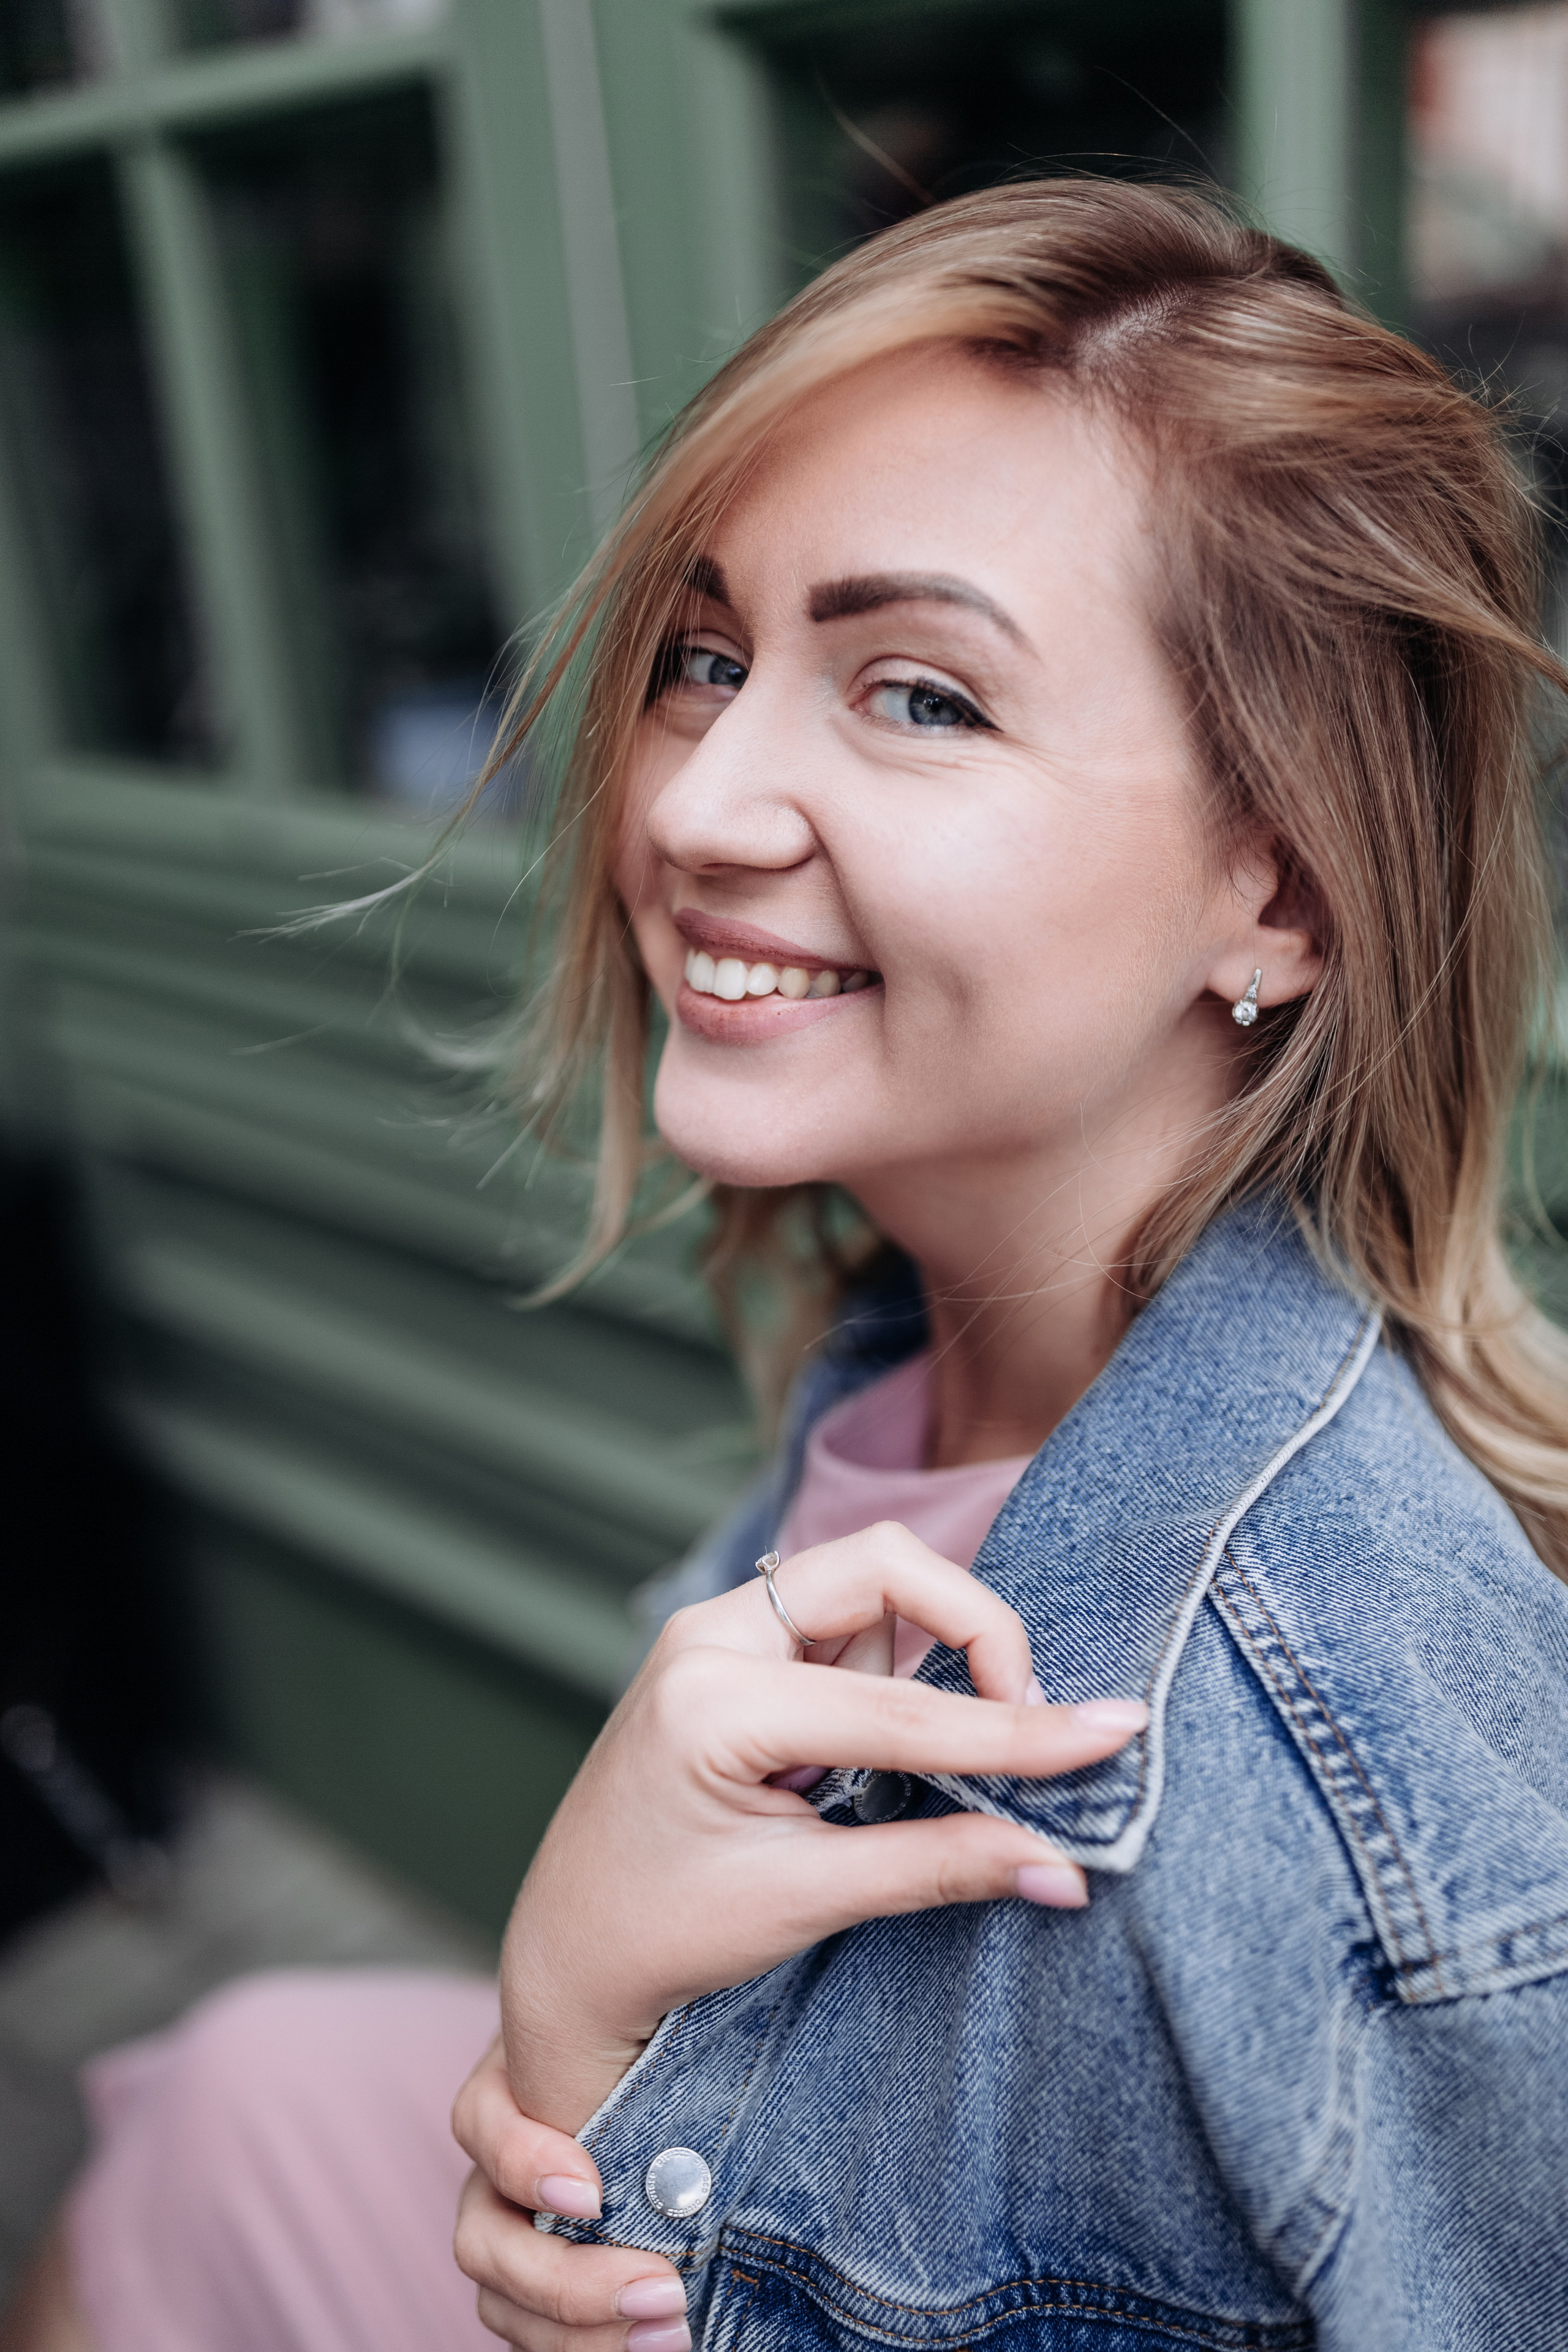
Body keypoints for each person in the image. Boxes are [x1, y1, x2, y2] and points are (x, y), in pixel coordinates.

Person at [9, 177, 1568, 2352]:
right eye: (707, 657)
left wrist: (554, 2074)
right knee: (226, 2104)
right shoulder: (926, 1331)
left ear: (1281, 902)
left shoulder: (1335, 1849)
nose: (693, 800)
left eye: (921, 696)